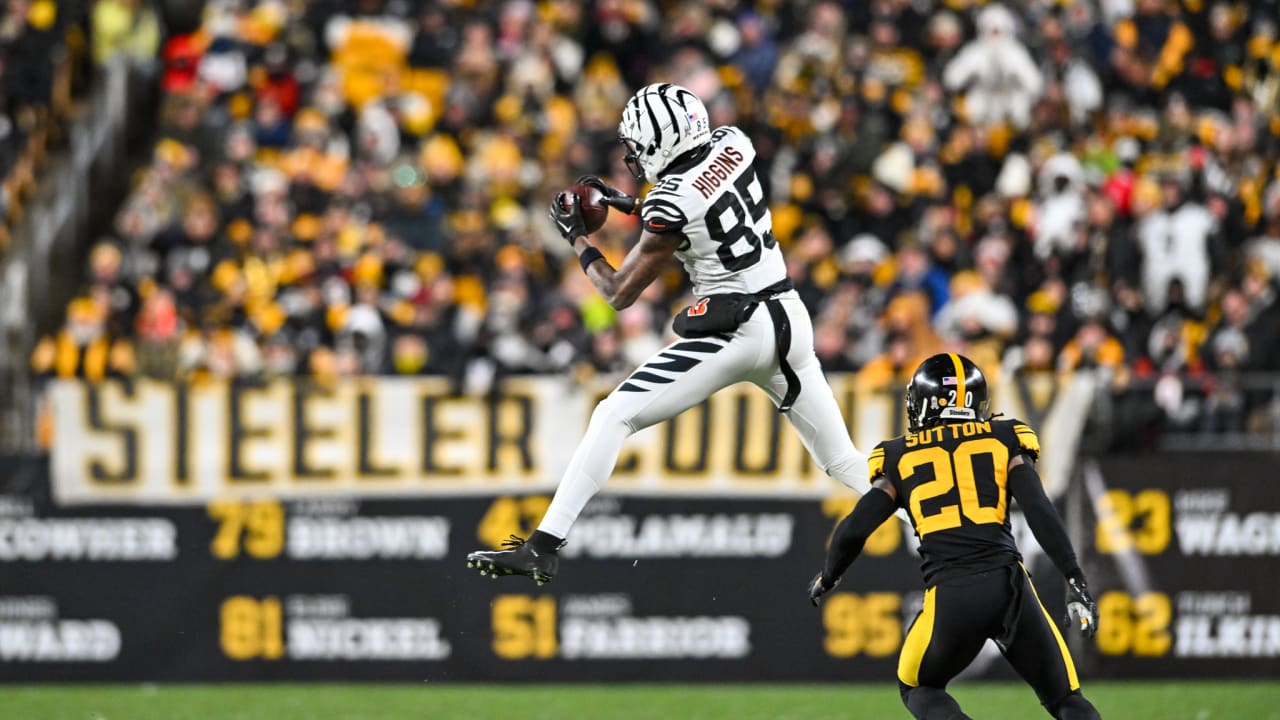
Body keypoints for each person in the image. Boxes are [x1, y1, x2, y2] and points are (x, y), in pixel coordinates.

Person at [467, 82, 904, 584]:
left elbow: (618, 292)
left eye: (635, 147)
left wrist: (579, 239)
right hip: (789, 316)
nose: (631, 156)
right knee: (843, 460)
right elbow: (698, 200)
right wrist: (627, 203)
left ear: (658, 143)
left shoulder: (671, 202)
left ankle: (543, 545)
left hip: (739, 331)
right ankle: (945, 525)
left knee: (614, 415)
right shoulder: (733, 143)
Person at [807, 353, 1101, 720]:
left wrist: (830, 575)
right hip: (1010, 586)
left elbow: (854, 529)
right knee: (1067, 700)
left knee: (918, 685)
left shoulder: (898, 455)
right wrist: (1075, 578)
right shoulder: (1003, 438)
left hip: (952, 595)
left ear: (923, 402)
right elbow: (1040, 510)